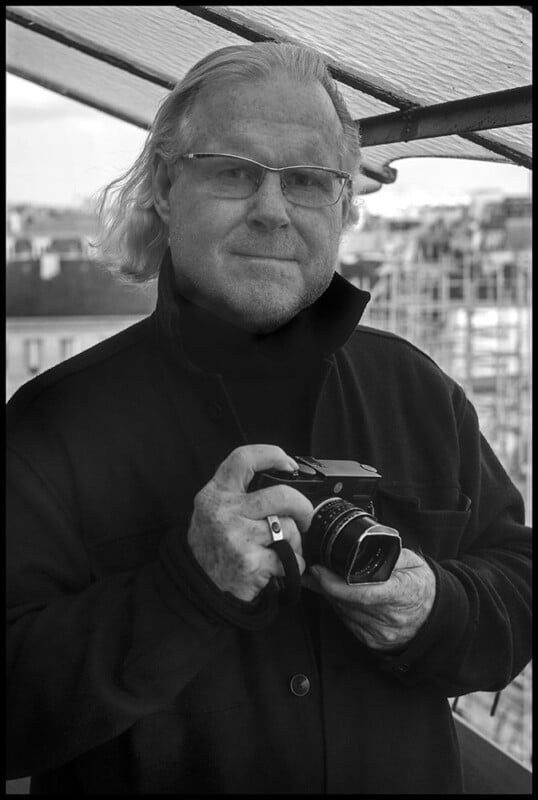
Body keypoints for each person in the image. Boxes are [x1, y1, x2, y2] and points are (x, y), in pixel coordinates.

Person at [6, 42, 531, 794]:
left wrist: (434, 607)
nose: (272, 210)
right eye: (234, 171)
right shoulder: (51, 425)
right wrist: (185, 590)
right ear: (163, 185)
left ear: (345, 204)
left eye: (310, 181)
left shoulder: (416, 389)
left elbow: (519, 581)